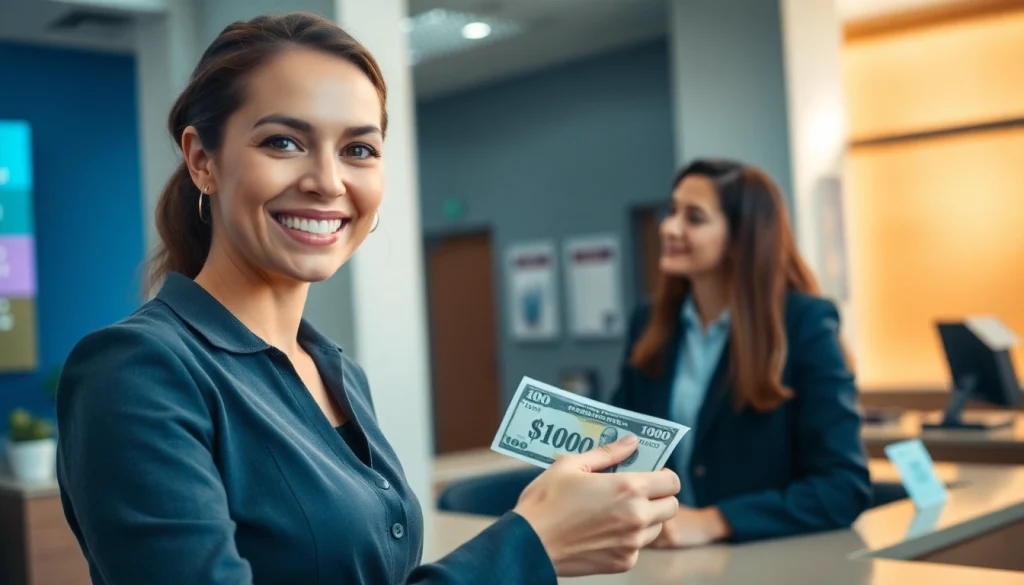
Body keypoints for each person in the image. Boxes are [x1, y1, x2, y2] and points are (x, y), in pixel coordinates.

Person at [54, 12, 681, 585]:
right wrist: (527, 548)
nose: (327, 181)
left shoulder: (337, 374)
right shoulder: (136, 372)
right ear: (202, 161)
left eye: (358, 150)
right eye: (282, 142)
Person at [611, 159, 871, 548]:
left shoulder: (804, 323)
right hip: (657, 562)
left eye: (694, 218)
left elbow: (843, 488)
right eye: (672, 211)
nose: (669, 227)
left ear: (741, 238)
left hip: (763, 564)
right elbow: (621, 446)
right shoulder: (649, 322)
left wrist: (715, 521)